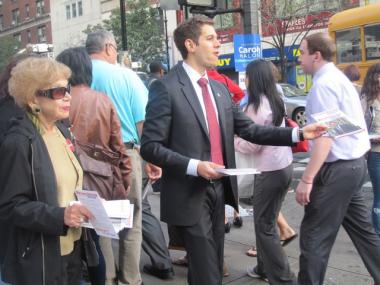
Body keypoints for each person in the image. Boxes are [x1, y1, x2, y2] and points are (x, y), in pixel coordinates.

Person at [140, 15, 325, 285]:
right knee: (206, 271)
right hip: (189, 192)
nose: (218, 44)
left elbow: (250, 130)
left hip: (220, 189)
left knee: (212, 265)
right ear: (190, 45)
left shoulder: (219, 88)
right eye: (211, 38)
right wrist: (194, 166)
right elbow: (150, 146)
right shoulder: (166, 88)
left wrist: (297, 133)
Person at [296, 32, 380, 284]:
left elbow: (325, 136)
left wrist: (307, 178)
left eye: (302, 53)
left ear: (316, 55)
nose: (300, 59)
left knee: (314, 239)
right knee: (364, 234)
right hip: (353, 167)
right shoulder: (339, 80)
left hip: (337, 170)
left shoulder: (324, 85)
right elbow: (347, 126)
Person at [0, 57, 93, 285]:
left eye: (68, 88)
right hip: (40, 256)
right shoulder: (19, 141)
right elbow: (10, 206)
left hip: (72, 248)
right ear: (33, 99)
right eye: (59, 91)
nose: (69, 96)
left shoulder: (61, 131)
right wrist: (59, 216)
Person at [86, 30, 161, 285]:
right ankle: (130, 278)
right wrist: (150, 158)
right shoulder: (126, 76)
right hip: (125, 155)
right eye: (115, 48)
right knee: (131, 219)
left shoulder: (77, 77)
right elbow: (143, 123)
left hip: (87, 159)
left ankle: (106, 278)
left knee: (99, 221)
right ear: (108, 47)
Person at [56, 47, 134, 285]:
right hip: (101, 179)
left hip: (68, 180)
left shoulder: (59, 102)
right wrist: (125, 180)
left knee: (77, 242)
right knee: (98, 243)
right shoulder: (102, 100)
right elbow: (118, 147)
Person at [234, 59, 296, 283]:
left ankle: (283, 277)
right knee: (266, 220)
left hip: (268, 170)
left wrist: (234, 140)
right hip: (283, 165)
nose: (245, 80)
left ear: (255, 78)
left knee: (264, 226)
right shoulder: (275, 98)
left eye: (247, 76)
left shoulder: (256, 106)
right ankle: (263, 268)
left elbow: (252, 143)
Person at [360, 63, 380, 236]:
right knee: (379, 196)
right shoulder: (367, 99)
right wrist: (371, 137)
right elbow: (358, 126)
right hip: (376, 153)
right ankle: (378, 233)